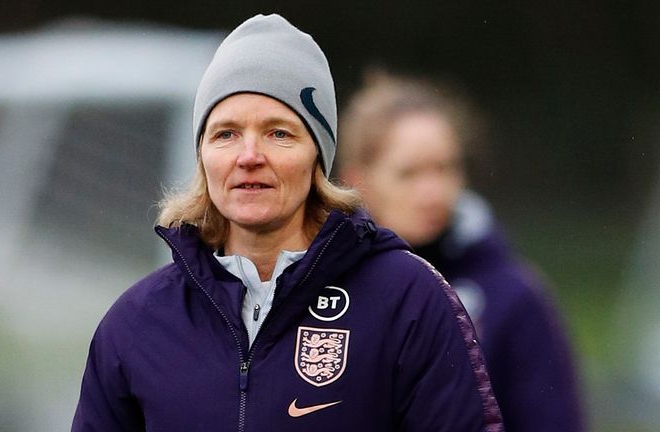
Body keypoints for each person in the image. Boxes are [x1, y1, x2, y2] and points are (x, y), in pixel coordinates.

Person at [72, 14, 503, 431]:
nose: (249, 156)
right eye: (225, 133)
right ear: (202, 156)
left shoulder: (407, 299)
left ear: (318, 155)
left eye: (279, 132)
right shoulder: (136, 323)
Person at [338, 71, 583, 432]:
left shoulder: (513, 297)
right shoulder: (325, 292)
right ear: (358, 181)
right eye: (409, 173)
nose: (433, 191)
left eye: (445, 168)